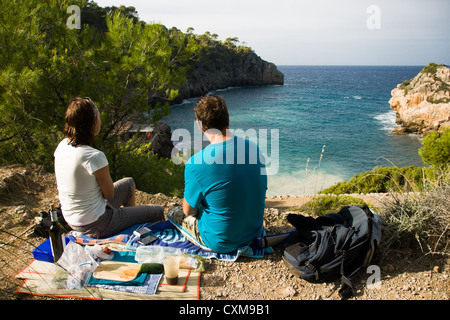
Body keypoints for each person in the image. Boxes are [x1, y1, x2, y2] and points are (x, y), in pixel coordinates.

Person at [167, 95, 268, 253]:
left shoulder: (196, 163)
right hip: (253, 232)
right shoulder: (253, 147)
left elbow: (188, 211)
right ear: (227, 119)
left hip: (220, 241)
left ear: (200, 126)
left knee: (174, 212)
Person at [54, 97, 164, 238]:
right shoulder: (93, 156)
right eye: (98, 117)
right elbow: (109, 194)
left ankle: (129, 230)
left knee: (129, 183)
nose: (100, 121)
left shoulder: (63, 145)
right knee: (157, 211)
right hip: (95, 223)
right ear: (91, 123)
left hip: (72, 218)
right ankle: (137, 238)